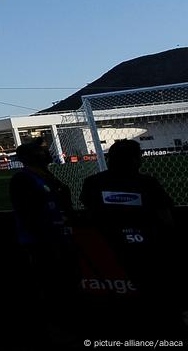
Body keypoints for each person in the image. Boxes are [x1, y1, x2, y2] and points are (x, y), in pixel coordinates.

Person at [79, 139, 179, 325]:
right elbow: (165, 216)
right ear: (135, 159)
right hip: (148, 249)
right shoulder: (146, 182)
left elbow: (90, 213)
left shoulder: (93, 182)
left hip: (108, 248)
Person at [8, 140, 78, 340]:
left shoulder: (46, 177)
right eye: (41, 150)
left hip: (60, 239)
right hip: (43, 243)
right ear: (31, 156)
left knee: (65, 284)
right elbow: (30, 214)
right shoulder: (24, 179)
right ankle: (55, 329)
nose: (46, 152)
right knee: (52, 286)